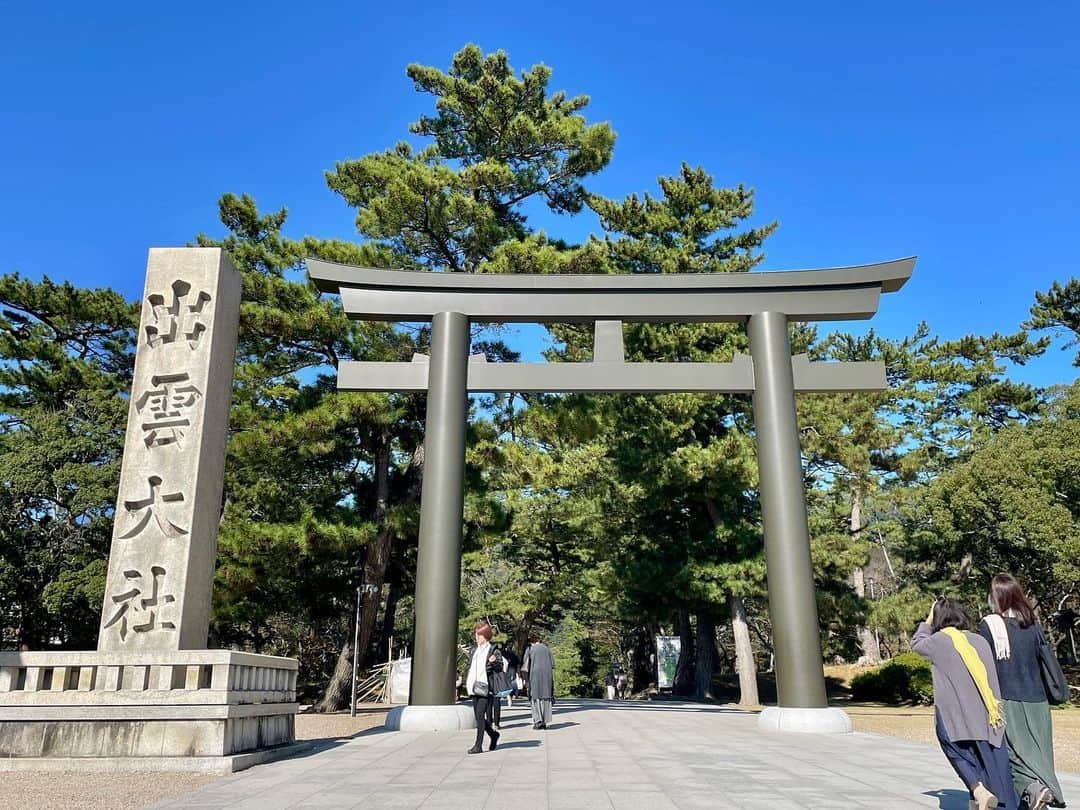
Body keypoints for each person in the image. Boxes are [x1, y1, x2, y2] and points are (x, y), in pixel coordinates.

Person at [911, 597, 1018, 810]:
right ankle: (990, 799)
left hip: (956, 717)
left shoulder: (939, 640)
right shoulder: (980, 641)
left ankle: (978, 790)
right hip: (989, 716)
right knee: (993, 768)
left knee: (953, 748)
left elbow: (916, 643)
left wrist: (929, 620)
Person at [978, 574, 1066, 810]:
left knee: (1010, 754)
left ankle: (1034, 789)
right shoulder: (1032, 625)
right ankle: (1038, 795)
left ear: (999, 597)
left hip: (1008, 699)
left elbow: (982, 665)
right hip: (1037, 701)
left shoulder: (989, 626)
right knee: (1040, 756)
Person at [463, 621, 502, 754]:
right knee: (478, 717)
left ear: (486, 636)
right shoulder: (474, 650)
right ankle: (493, 735)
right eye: (476, 635)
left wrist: (494, 661)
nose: (477, 637)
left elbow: (500, 667)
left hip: (486, 688)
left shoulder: (493, 650)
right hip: (474, 686)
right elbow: (470, 667)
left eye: (479, 635)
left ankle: (478, 745)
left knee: (480, 715)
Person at [522, 632, 555, 729]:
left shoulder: (530, 649)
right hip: (547, 676)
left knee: (535, 698)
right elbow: (552, 664)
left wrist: (525, 679)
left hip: (534, 675)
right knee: (546, 698)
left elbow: (525, 665)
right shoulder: (546, 648)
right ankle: (545, 721)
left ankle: (538, 721)